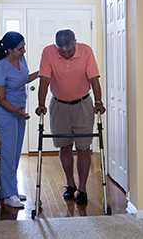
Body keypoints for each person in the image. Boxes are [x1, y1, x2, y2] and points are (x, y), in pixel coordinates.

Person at [35, 29, 106, 205]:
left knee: (83, 148)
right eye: (62, 52)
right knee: (64, 146)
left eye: (69, 51)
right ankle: (70, 184)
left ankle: (82, 188)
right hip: (59, 105)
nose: (66, 55)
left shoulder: (86, 51)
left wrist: (98, 101)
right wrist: (41, 104)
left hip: (83, 105)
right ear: (56, 46)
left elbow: (94, 80)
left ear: (75, 42)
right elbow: (44, 80)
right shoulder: (48, 52)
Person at [0, 31, 39, 208]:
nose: (24, 51)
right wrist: (17, 111)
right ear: (9, 49)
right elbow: (2, 99)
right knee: (7, 154)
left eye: (24, 46)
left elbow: (23, 79)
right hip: (5, 113)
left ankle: (12, 190)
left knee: (15, 153)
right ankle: (8, 194)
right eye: (20, 48)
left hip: (19, 112)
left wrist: (41, 73)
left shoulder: (21, 60)